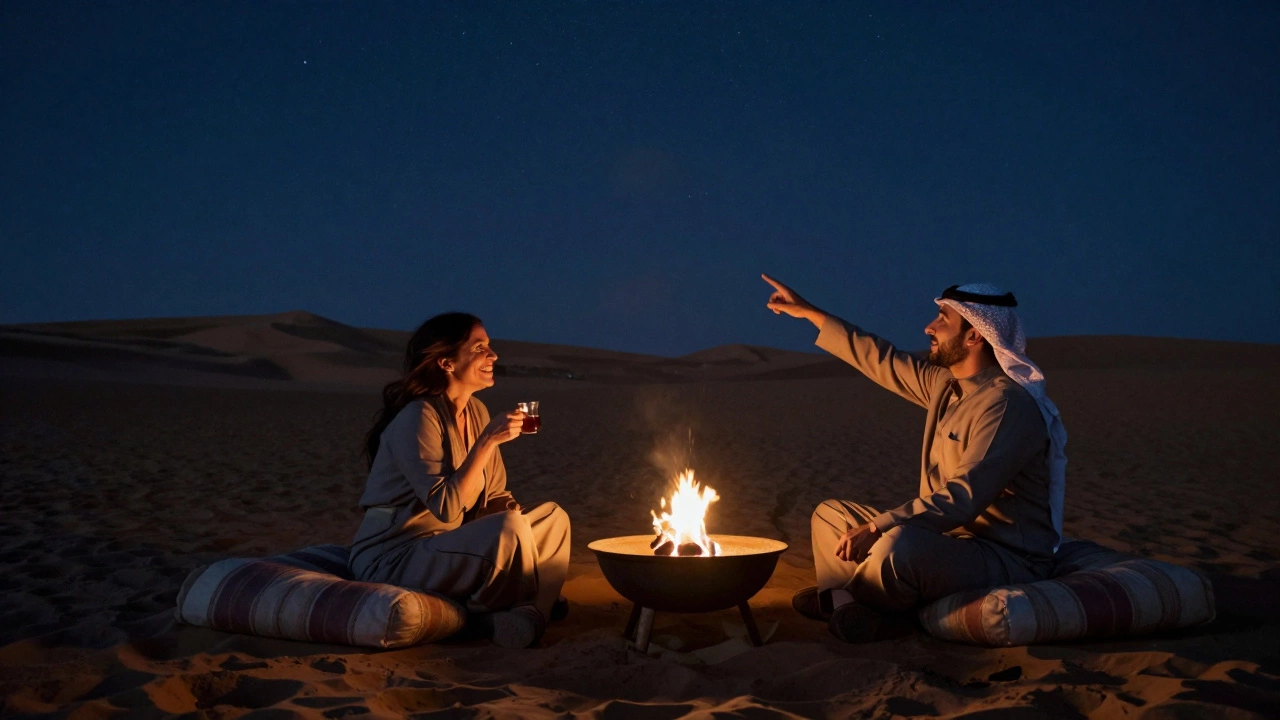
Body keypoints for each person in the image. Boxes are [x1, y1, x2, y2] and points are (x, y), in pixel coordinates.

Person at [762, 274, 1068, 643]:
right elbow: (879, 358)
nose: (929, 327)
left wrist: (879, 526)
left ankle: (846, 603)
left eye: (943, 319)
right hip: (947, 540)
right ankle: (850, 604)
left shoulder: (1006, 405)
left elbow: (963, 497)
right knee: (831, 516)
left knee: (898, 546)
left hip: (1003, 556)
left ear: (974, 335)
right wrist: (810, 313)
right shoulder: (944, 384)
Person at [348, 312, 571, 648]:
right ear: (446, 363)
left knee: (553, 518)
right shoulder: (419, 417)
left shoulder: (478, 411)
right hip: (396, 554)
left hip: (450, 543)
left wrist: (511, 511)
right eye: (479, 348)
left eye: (490, 347)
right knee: (509, 529)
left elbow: (494, 496)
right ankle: (493, 618)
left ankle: (531, 613)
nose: (493, 356)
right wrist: (486, 442)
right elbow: (447, 508)